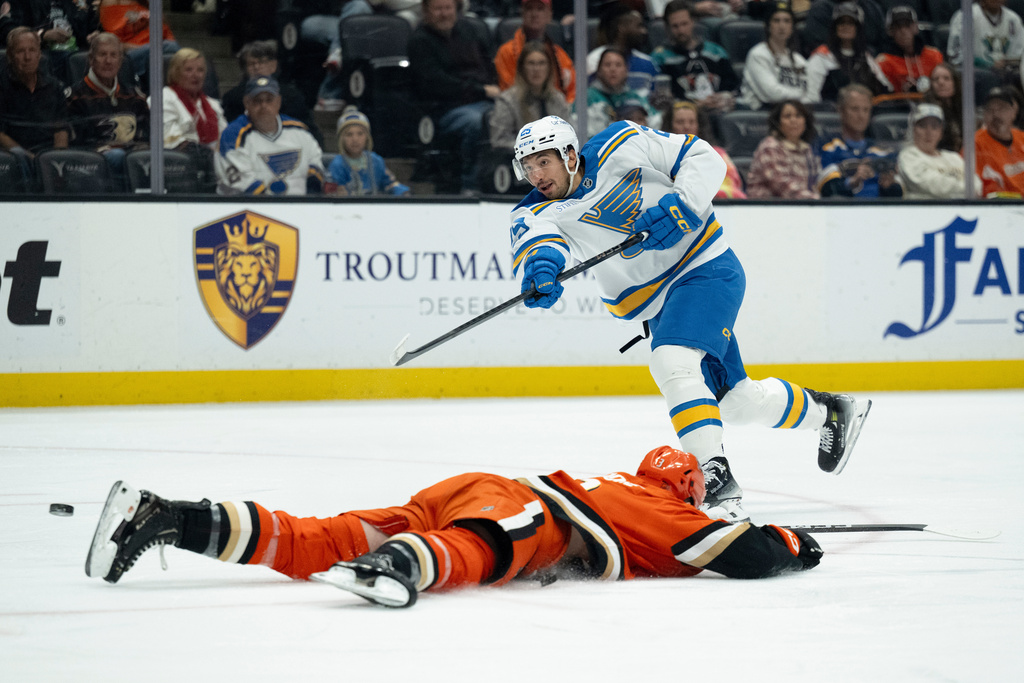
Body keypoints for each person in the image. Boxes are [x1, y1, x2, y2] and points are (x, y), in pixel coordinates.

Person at [507, 114, 872, 522]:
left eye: (544, 161)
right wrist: (541, 269)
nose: (536, 174)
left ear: (570, 154)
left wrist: (682, 205)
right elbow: (541, 244)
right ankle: (831, 412)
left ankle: (716, 480)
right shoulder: (533, 212)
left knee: (671, 360)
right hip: (660, 306)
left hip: (706, 268)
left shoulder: (621, 142)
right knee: (736, 402)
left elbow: (704, 158)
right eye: (528, 166)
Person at [85, 446, 824, 608]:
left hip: (471, 484)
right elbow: (746, 553)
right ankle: (401, 566)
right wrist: (796, 540)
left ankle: (167, 517)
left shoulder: (616, 478)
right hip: (520, 510)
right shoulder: (662, 507)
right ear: (687, 491)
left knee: (324, 537)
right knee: (488, 548)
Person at [408, 0, 500, 194]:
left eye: (448, 8)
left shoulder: (468, 31)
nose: (444, 13)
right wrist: (481, 90)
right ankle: (470, 186)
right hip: (444, 110)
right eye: (438, 8)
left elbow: (487, 66)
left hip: (483, 101)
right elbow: (438, 84)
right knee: (478, 122)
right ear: (426, 11)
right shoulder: (419, 41)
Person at [216, 76, 324, 195]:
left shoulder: (299, 131)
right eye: (257, 100)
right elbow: (242, 184)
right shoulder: (233, 135)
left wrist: (310, 202)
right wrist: (273, 207)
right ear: (247, 103)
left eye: (269, 100)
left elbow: (315, 166)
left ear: (278, 102)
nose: (264, 106)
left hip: (300, 207)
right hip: (248, 208)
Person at [66, 32, 149, 186]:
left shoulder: (135, 96)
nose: (108, 61)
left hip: (131, 158)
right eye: (102, 55)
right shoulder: (75, 96)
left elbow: (147, 133)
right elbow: (76, 142)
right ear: (91, 59)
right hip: (91, 162)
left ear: (120, 61)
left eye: (113, 55)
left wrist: (141, 148)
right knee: (117, 156)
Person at [0, 27, 70, 186]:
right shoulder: (2, 86)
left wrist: (57, 157)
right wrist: (32, 158)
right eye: (20, 51)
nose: (27, 57)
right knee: (17, 155)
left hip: (48, 153)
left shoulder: (55, 86)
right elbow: (0, 135)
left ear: (39, 54)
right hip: (14, 155)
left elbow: (61, 129)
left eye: (32, 50)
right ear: (10, 56)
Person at [220, 39, 320, 146]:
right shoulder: (232, 98)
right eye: (251, 63)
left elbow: (310, 130)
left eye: (262, 62)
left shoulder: (292, 96)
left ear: (273, 65)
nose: (257, 67)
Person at [157, 47, 227, 193]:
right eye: (188, 70)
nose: (196, 75)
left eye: (200, 70)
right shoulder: (163, 99)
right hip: (180, 169)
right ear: (175, 73)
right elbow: (172, 142)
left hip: (216, 164)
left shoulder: (213, 105)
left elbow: (226, 138)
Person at [651, 0, 739, 114]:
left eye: (684, 24)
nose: (681, 30)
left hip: (718, 113)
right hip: (681, 116)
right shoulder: (660, 57)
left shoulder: (716, 52)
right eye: (675, 26)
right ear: (667, 27)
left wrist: (722, 98)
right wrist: (694, 105)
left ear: (693, 22)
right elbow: (661, 99)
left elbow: (732, 87)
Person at [817, 84, 904, 197]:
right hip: (842, 211)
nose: (861, 115)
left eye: (866, 110)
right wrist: (851, 182)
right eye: (855, 109)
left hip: (881, 211)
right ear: (841, 111)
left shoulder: (885, 152)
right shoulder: (827, 148)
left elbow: (899, 194)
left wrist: (888, 187)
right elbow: (826, 189)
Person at [805, 2, 891, 104]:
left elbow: (885, 90)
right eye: (841, 22)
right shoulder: (822, 56)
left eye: (851, 23)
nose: (846, 26)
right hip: (832, 114)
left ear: (858, 28)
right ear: (835, 27)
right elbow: (811, 96)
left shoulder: (866, 58)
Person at [490, 41, 571, 150]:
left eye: (542, 63)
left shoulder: (558, 98)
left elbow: (569, 135)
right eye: (531, 63)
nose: (536, 69)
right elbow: (499, 141)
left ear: (549, 68)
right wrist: (534, 148)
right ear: (522, 68)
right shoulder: (507, 101)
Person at [494, 0, 576, 104]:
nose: (534, 14)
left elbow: (572, 93)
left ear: (549, 15)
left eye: (540, 9)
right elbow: (508, 90)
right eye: (529, 9)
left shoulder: (560, 55)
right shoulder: (506, 52)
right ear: (522, 13)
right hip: (520, 111)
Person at [297, 0, 373, 111]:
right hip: (334, 21)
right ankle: (338, 52)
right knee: (310, 26)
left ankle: (329, 94)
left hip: (371, 24)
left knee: (359, 6)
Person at [1, 0, 99, 86]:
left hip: (75, 48)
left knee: (95, 55)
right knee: (65, 59)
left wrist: (93, 35)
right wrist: (43, 35)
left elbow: (89, 24)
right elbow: (8, 29)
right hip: (42, 49)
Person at [662, 99, 746, 198]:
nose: (686, 126)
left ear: (699, 125)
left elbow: (731, 188)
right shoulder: (661, 155)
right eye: (680, 122)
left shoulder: (718, 154)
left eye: (692, 122)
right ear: (670, 126)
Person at [737, 2, 812, 110]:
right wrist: (802, 96)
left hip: (792, 112)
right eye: (776, 21)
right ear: (767, 26)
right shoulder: (758, 55)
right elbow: (773, 94)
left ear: (792, 28)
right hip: (759, 114)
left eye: (787, 21)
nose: (782, 26)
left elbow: (812, 93)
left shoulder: (798, 60)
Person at [897, 103, 981, 199]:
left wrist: (967, 190)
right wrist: (966, 190)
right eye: (922, 126)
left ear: (941, 133)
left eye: (934, 127)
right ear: (913, 130)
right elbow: (934, 186)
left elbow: (977, 184)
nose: (929, 132)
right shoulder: (908, 156)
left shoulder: (954, 157)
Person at [327, 105, 410, 196]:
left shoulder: (376, 161)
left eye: (360, 134)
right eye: (349, 134)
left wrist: (403, 193)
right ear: (341, 139)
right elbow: (332, 195)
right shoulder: (337, 165)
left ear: (367, 137)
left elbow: (390, 184)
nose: (355, 139)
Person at [747, 99, 822, 198]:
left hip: (801, 204)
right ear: (778, 123)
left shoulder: (807, 149)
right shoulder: (770, 147)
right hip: (768, 206)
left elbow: (815, 181)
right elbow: (780, 184)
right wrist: (815, 199)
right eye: (787, 116)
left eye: (798, 116)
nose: (793, 120)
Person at [586, 2, 660, 99]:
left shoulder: (648, 62)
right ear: (621, 27)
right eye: (638, 26)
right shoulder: (595, 58)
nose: (644, 31)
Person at [98, 0, 179, 87]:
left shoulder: (147, 3)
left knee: (171, 52)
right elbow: (112, 43)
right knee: (170, 49)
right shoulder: (112, 2)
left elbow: (166, 34)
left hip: (160, 49)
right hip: (130, 53)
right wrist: (142, 48)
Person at [584, 46, 658, 137]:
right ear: (599, 70)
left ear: (626, 70)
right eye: (607, 65)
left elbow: (654, 124)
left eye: (618, 65)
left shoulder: (635, 97)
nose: (613, 69)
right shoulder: (587, 97)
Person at [874, 6, 943, 102]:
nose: (903, 31)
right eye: (898, 27)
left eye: (907, 25)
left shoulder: (934, 55)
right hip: (900, 107)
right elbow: (884, 95)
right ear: (890, 31)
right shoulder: (884, 62)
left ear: (916, 27)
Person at [948, 0, 1024, 85]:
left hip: (1005, 72)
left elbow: (1019, 53)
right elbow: (957, 55)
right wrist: (987, 64)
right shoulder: (966, 16)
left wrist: (1007, 62)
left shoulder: (1013, 19)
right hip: (976, 74)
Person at [974, 85, 1024, 197]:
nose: (996, 115)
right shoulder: (975, 144)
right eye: (990, 110)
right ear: (984, 115)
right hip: (1000, 208)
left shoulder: (1022, 138)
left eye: (1002, 108)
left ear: (1013, 112)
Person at [802, 0, 887, 54]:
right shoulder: (821, 8)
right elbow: (817, 45)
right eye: (842, 22)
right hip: (833, 66)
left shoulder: (871, 7)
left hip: (870, 63)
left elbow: (885, 41)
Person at [923, 62, 963, 152]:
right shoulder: (926, 111)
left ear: (955, 82)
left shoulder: (965, 108)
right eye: (935, 79)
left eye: (946, 78)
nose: (941, 82)